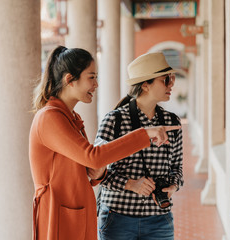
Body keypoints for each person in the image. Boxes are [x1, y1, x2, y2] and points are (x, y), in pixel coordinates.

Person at [29, 46, 180, 240]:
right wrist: (144, 134)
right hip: (58, 217)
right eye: (91, 77)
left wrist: (98, 173)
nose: (96, 84)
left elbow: (89, 167)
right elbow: (93, 156)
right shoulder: (49, 118)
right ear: (69, 80)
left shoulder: (71, 118)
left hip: (77, 214)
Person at [96, 52, 184, 240]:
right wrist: (130, 184)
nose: (171, 84)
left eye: (172, 78)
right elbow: (95, 169)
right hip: (117, 217)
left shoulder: (172, 122)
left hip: (159, 219)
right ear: (145, 85)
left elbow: (177, 168)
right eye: (166, 79)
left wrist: (174, 185)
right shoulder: (115, 120)